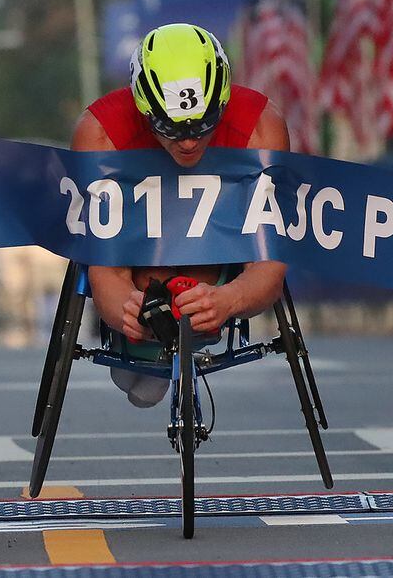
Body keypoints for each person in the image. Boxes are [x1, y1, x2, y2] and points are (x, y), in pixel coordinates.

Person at [71, 23, 289, 407]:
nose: (188, 142)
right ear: (142, 108)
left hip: (219, 262)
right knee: (140, 387)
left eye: (204, 126)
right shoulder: (99, 133)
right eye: (169, 129)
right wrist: (124, 305)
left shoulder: (261, 125)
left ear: (222, 104)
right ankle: (146, 341)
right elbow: (104, 269)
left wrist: (229, 299)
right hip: (138, 263)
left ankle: (188, 316)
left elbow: (269, 263)